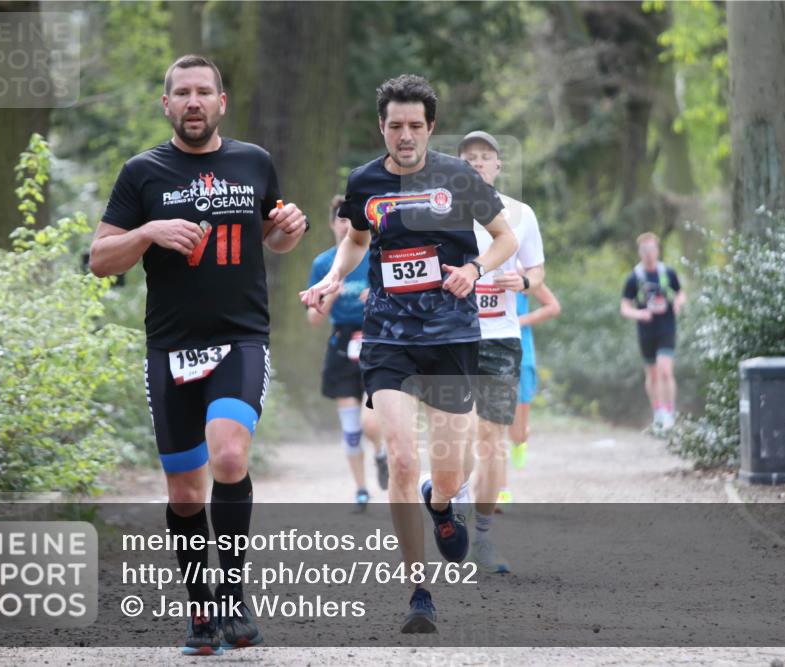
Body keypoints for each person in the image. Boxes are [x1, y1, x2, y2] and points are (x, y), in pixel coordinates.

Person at [89, 54, 308, 655]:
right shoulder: (142, 172)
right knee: (186, 494)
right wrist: (147, 232)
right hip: (170, 348)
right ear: (166, 105)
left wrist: (290, 227)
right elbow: (100, 260)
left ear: (221, 102)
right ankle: (201, 611)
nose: (193, 102)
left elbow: (274, 236)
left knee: (229, 454)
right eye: (182, 93)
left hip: (241, 338)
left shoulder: (253, 162)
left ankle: (233, 598)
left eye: (203, 92)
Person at [300, 74, 517, 634]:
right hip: (388, 336)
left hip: (451, 335)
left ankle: (441, 504)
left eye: (415, 126)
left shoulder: (458, 176)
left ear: (430, 127)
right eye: (395, 125)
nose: (405, 135)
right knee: (401, 458)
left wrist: (474, 269)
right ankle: (419, 592)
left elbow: (505, 238)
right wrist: (332, 278)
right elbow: (355, 240)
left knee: (451, 470)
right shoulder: (364, 182)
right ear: (382, 126)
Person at [455, 131, 545, 574]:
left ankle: (483, 538)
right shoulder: (440, 212)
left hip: (502, 337)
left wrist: (523, 282)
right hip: (452, 335)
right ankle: (451, 507)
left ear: (498, 165)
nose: (477, 163)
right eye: (469, 157)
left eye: (485, 157)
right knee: (461, 435)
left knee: (491, 440)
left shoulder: (521, 214)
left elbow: (537, 270)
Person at [306, 195, 388, 509]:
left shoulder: (375, 256)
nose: (344, 226)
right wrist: (330, 295)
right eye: (340, 220)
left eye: (350, 220)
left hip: (375, 340)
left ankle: (381, 453)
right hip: (341, 344)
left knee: (370, 423)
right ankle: (361, 490)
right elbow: (313, 319)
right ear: (331, 224)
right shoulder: (323, 264)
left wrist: (376, 297)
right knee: (352, 430)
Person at [620, 232, 686, 430]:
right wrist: (639, 314)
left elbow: (680, 293)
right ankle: (658, 412)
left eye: (651, 249)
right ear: (640, 252)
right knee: (653, 373)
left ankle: (669, 413)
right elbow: (624, 307)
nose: (648, 253)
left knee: (665, 370)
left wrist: (678, 303)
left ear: (657, 250)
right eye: (644, 250)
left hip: (667, 327)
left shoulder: (668, 273)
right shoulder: (634, 278)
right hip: (646, 331)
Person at [506, 284, 561, 477]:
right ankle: (500, 485)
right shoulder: (477, 271)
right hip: (487, 351)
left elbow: (553, 307)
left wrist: (518, 321)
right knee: (489, 426)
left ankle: (518, 441)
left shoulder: (522, 275)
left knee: (518, 432)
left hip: (521, 353)